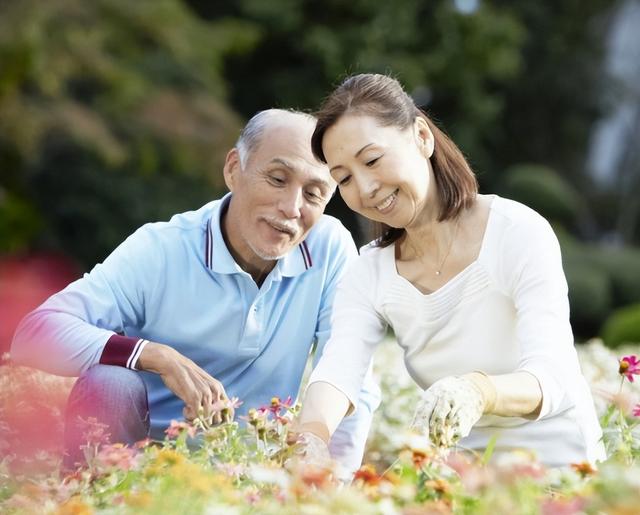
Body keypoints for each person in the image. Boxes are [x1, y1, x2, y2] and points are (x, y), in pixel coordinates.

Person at [10, 109, 379, 472]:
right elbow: (35, 332)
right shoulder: (162, 248)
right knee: (109, 382)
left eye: (314, 193)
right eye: (278, 178)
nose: (291, 208)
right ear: (234, 169)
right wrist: (154, 356)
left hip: (252, 479)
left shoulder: (329, 249)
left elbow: (351, 375)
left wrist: (336, 487)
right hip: (139, 471)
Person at [293, 73, 606, 468]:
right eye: (345, 178)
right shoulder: (369, 271)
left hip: (559, 467)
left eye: (372, 160)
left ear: (422, 136)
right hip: (457, 473)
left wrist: (479, 391)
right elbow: (339, 370)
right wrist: (312, 436)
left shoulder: (517, 232)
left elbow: (553, 375)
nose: (366, 187)